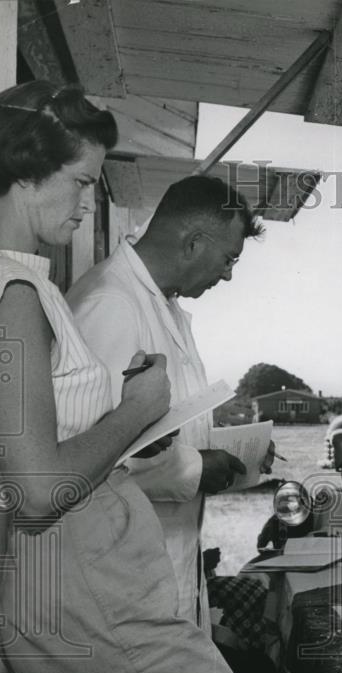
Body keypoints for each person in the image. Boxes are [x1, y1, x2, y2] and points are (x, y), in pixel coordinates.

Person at [0, 81, 301, 673]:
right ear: (23, 169)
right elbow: (40, 489)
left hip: (54, 589)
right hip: (88, 587)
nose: (86, 208)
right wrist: (137, 409)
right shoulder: (10, 294)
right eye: (79, 182)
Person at [67, 175, 270, 635]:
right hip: (124, 577)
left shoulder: (160, 302)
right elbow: (91, 453)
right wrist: (197, 468)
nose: (228, 274)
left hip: (162, 560)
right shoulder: (110, 304)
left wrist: (230, 446)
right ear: (194, 242)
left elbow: (157, 424)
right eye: (229, 258)